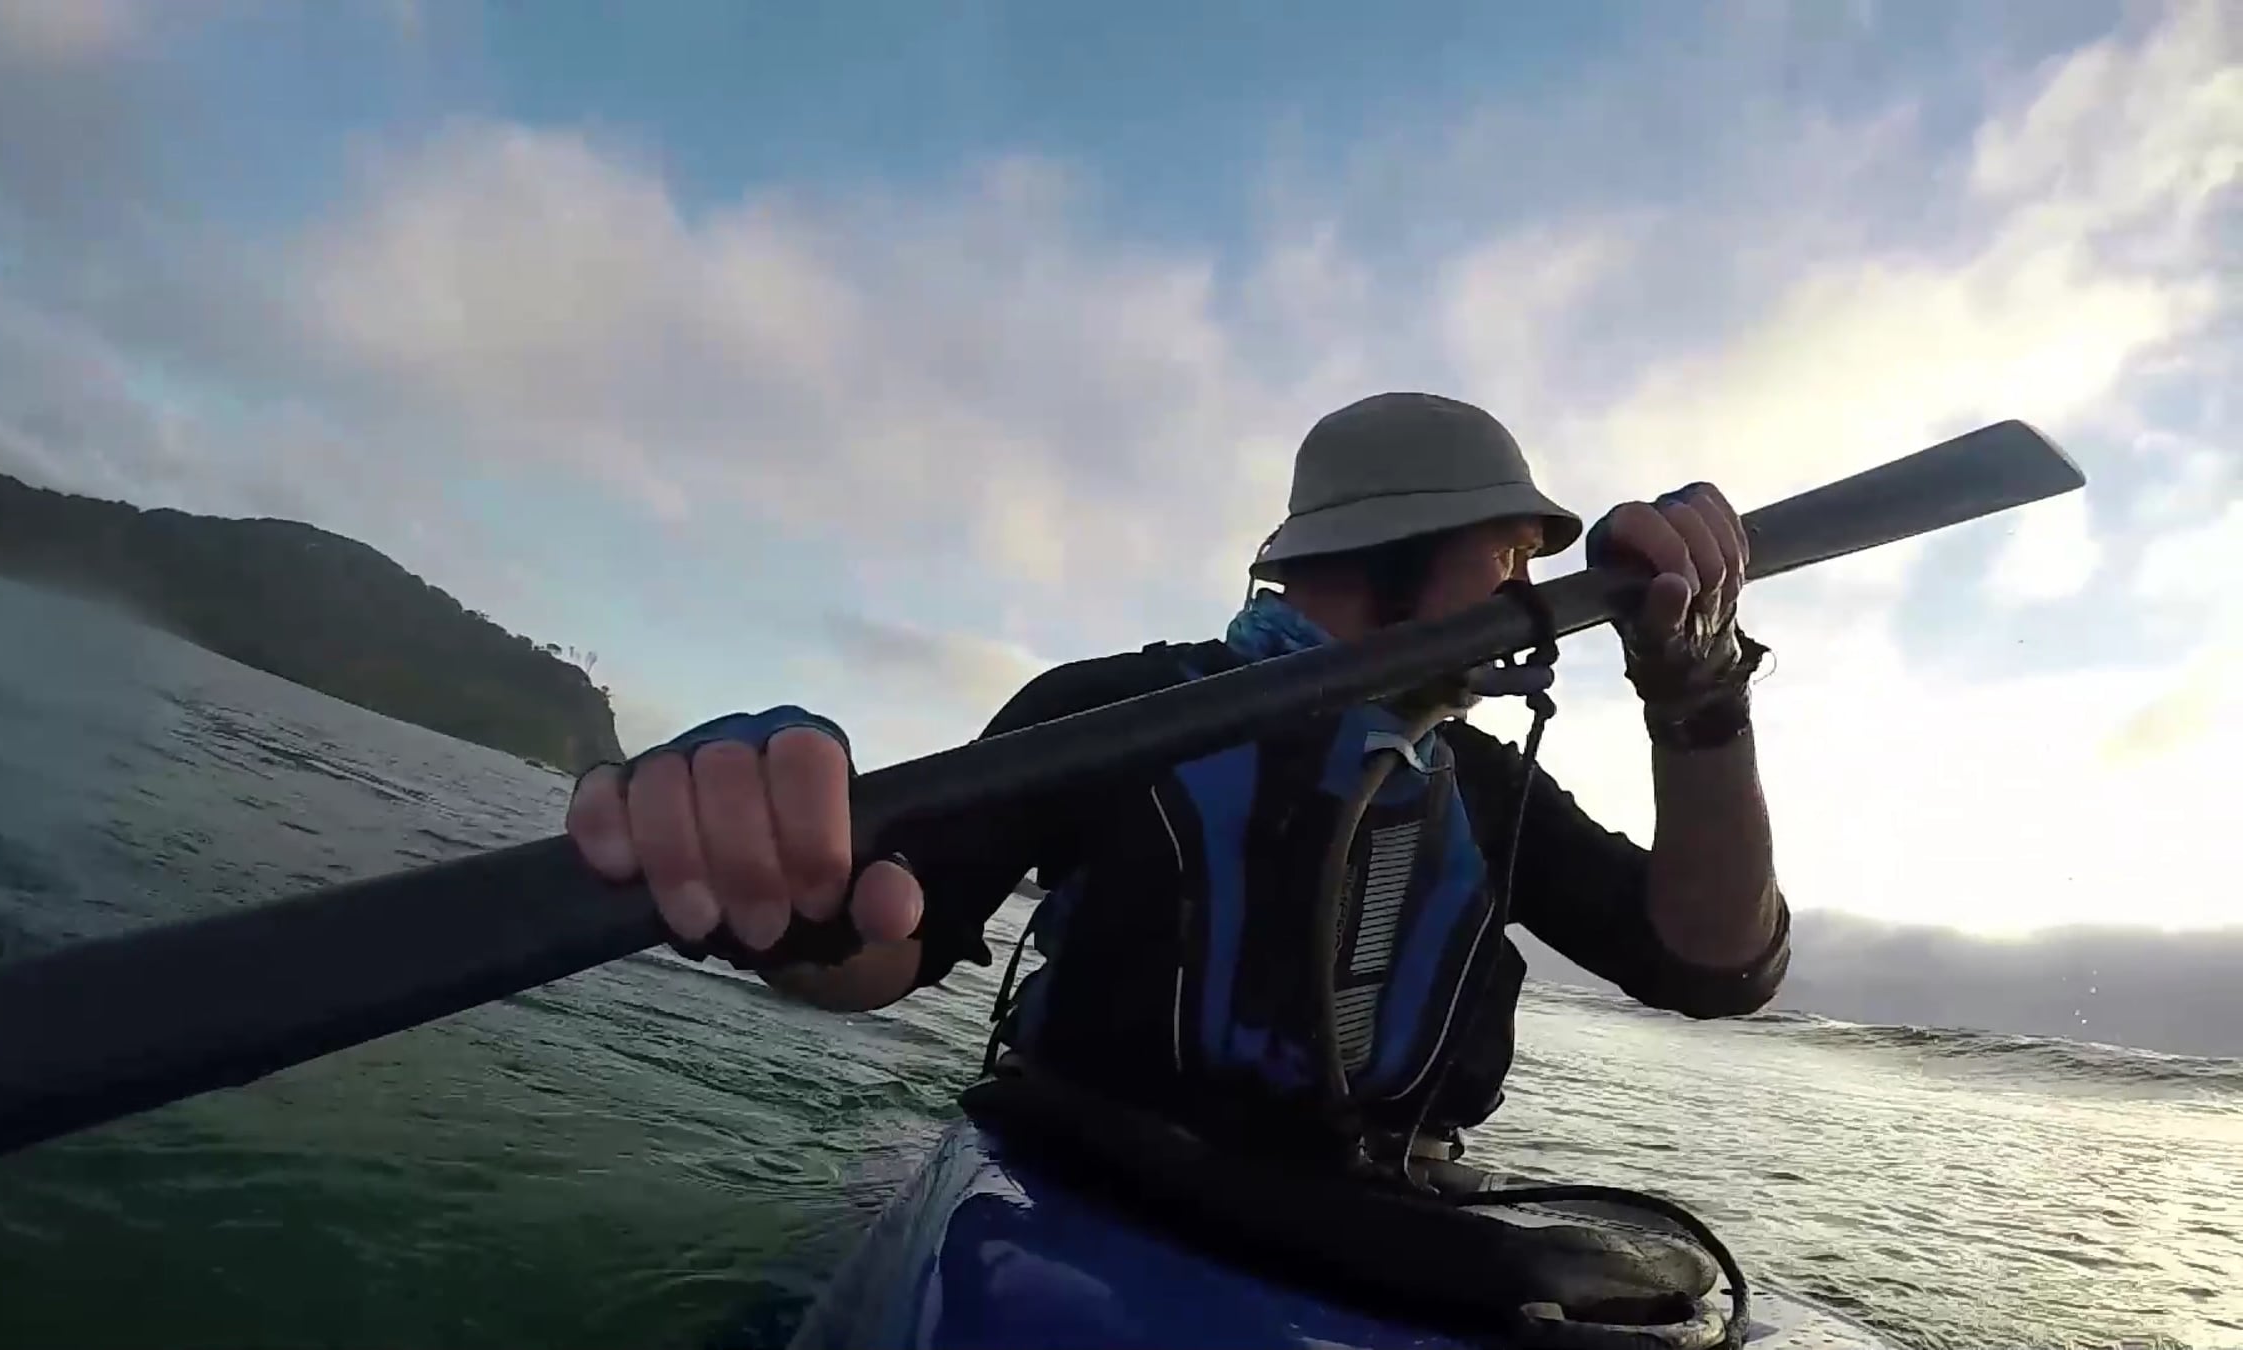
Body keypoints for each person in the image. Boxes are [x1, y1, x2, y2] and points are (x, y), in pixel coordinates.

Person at [566, 392, 1788, 1157]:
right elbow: (891, 942)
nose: (1530, 595)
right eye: (1506, 555)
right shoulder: (1110, 712)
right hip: (1088, 1181)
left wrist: (1699, 692)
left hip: (1379, 1234)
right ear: (1387, 556)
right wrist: (787, 898)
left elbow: (1713, 963)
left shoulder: (1487, 789)